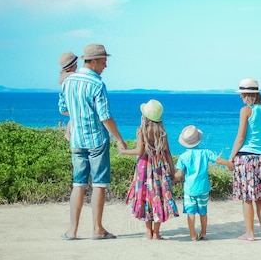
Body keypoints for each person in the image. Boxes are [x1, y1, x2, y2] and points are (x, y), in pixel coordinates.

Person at [58, 43, 127, 240]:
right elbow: (105, 117)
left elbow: (64, 109)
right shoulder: (97, 85)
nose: (106, 65)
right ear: (94, 61)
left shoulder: (68, 82)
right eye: (104, 61)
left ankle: (72, 230)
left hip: (77, 140)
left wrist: (78, 113)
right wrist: (119, 139)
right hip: (97, 140)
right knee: (99, 184)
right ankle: (97, 228)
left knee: (78, 184)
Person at [118, 99, 179, 240]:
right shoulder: (163, 133)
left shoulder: (142, 131)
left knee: (146, 197)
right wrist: (172, 171)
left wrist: (123, 151)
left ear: (145, 117)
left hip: (144, 169)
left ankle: (148, 232)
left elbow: (140, 151)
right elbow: (168, 154)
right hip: (159, 169)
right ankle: (157, 233)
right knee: (158, 197)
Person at [228, 78, 261, 242]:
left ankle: (250, 234)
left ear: (247, 95)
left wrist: (231, 157)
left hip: (245, 157)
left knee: (247, 198)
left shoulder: (246, 111)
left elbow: (240, 137)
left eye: (242, 94)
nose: (240, 97)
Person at [174, 125, 232, 241]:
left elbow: (179, 174)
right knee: (203, 212)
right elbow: (218, 160)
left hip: (189, 189)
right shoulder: (205, 152)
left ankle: (193, 235)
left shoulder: (183, 156)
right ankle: (204, 232)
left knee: (191, 213)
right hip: (204, 187)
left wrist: (171, 179)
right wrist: (230, 164)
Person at [58, 51, 78, 141]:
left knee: (74, 116)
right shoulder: (73, 76)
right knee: (75, 115)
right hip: (67, 106)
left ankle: (68, 133)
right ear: (73, 65)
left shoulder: (64, 77)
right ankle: (68, 134)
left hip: (63, 105)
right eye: (76, 63)